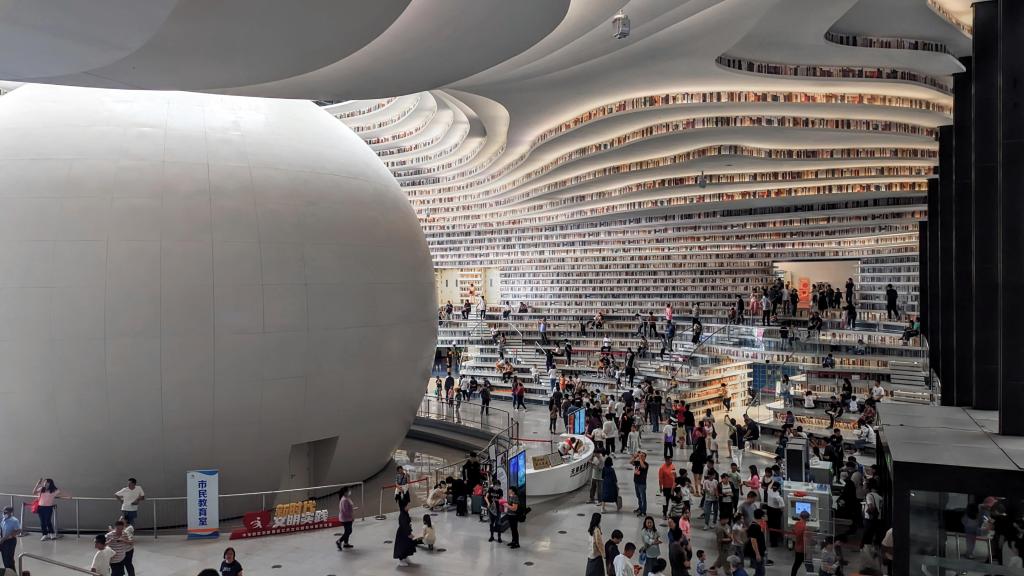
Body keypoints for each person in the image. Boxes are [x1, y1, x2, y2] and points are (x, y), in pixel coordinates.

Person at [745, 509, 767, 576]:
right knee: (761, 571)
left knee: (759, 569)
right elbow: (753, 541)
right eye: (764, 516)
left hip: (760, 550)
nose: (766, 517)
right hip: (757, 552)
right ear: (761, 517)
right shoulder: (754, 527)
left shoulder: (757, 525)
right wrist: (757, 554)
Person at [0, 506, 20, 572]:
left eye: (6, 512)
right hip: (2, 540)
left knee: (8, 560)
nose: (4, 513)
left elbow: (18, 530)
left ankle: (12, 573)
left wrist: (8, 536)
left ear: (11, 512)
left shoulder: (14, 521)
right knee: (4, 559)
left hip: (10, 541)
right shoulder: (3, 519)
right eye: (3, 512)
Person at [790, 510, 810, 576]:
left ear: (800, 516)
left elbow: (795, 533)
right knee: (808, 564)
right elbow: (806, 539)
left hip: (797, 547)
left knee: (796, 564)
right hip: (802, 549)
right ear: (807, 518)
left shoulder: (797, 524)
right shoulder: (805, 527)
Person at [485, 478, 503, 543]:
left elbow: (501, 500)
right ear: (494, 485)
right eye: (497, 485)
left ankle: (499, 537)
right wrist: (488, 503)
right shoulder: (490, 489)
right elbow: (486, 497)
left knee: (498, 523)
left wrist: (498, 501)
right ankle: (491, 536)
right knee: (491, 523)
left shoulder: (500, 491)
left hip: (498, 509)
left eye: (499, 486)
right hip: (491, 509)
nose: (498, 487)